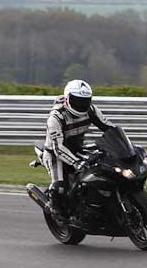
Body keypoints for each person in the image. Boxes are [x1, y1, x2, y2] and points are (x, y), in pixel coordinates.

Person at [43, 80, 113, 215]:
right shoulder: (56, 117)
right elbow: (58, 148)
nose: (81, 105)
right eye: (77, 101)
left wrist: (124, 143)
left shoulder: (91, 110)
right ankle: (55, 207)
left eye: (84, 101)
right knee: (60, 188)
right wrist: (76, 163)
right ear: (67, 98)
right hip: (55, 153)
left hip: (78, 148)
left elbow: (109, 127)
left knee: (102, 171)